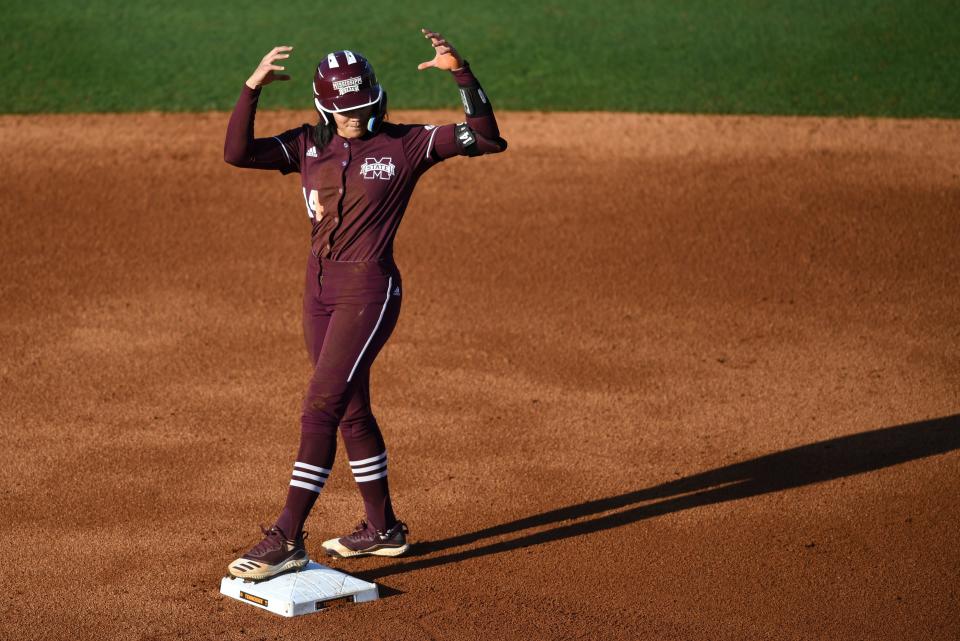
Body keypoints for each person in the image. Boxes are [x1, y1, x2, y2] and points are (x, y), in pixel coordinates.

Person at [222, 29, 507, 580]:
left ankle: (286, 536)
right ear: (325, 107)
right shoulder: (305, 145)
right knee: (349, 408)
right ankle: (383, 528)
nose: (355, 118)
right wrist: (251, 87)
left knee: (320, 406)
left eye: (361, 107)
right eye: (344, 110)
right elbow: (237, 153)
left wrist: (461, 72)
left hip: (368, 291)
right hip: (318, 291)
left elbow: (486, 138)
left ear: (376, 97)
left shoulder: (407, 145)